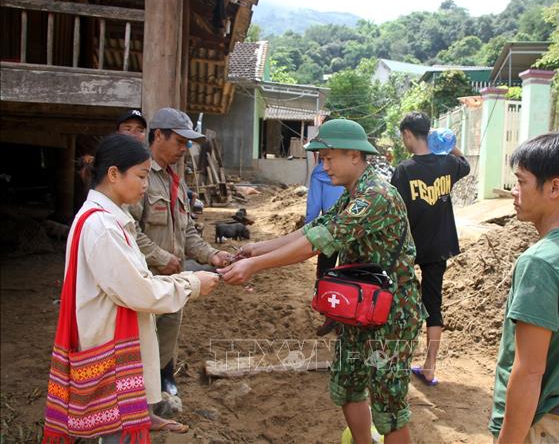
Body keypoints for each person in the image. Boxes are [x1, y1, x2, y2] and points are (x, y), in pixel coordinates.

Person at [220, 119, 424, 444]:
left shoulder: (375, 196)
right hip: (360, 308)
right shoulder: (353, 193)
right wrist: (256, 249)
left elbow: (316, 244)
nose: (324, 166)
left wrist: (255, 265)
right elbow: (313, 228)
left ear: (354, 156)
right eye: (322, 158)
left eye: (329, 158)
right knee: (348, 385)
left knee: (388, 406)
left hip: (392, 318)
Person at [49, 134, 220, 443]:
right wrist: (192, 284)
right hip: (111, 350)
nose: (145, 184)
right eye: (141, 176)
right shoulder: (103, 227)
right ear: (114, 174)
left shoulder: (110, 219)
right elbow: (139, 291)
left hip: (111, 338)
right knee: (118, 433)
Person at [489, 133, 559, 443]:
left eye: (521, 182)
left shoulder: (541, 262)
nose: (514, 192)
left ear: (554, 188)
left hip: (541, 425)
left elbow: (529, 372)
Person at [128, 107, 232, 399]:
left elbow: (186, 232)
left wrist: (212, 255)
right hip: (145, 278)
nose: (184, 149)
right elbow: (129, 230)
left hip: (173, 278)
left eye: (187, 143)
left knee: (169, 329)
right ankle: (141, 388)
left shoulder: (176, 180)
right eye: (180, 142)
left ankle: (164, 375)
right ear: (158, 136)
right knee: (143, 335)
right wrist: (161, 258)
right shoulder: (140, 176)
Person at [391, 111, 470, 386]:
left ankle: (396, 360)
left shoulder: (404, 170)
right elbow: (465, 163)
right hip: (438, 246)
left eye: (404, 136)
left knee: (401, 302)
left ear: (408, 134)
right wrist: (447, 143)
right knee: (433, 305)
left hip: (408, 247)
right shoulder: (448, 163)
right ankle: (429, 367)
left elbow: (394, 209)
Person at [305, 156, 345, 335]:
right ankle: (346, 316)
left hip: (328, 230)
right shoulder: (350, 169)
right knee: (350, 272)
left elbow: (314, 207)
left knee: (325, 272)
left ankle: (330, 316)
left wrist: (310, 233)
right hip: (354, 228)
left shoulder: (319, 172)